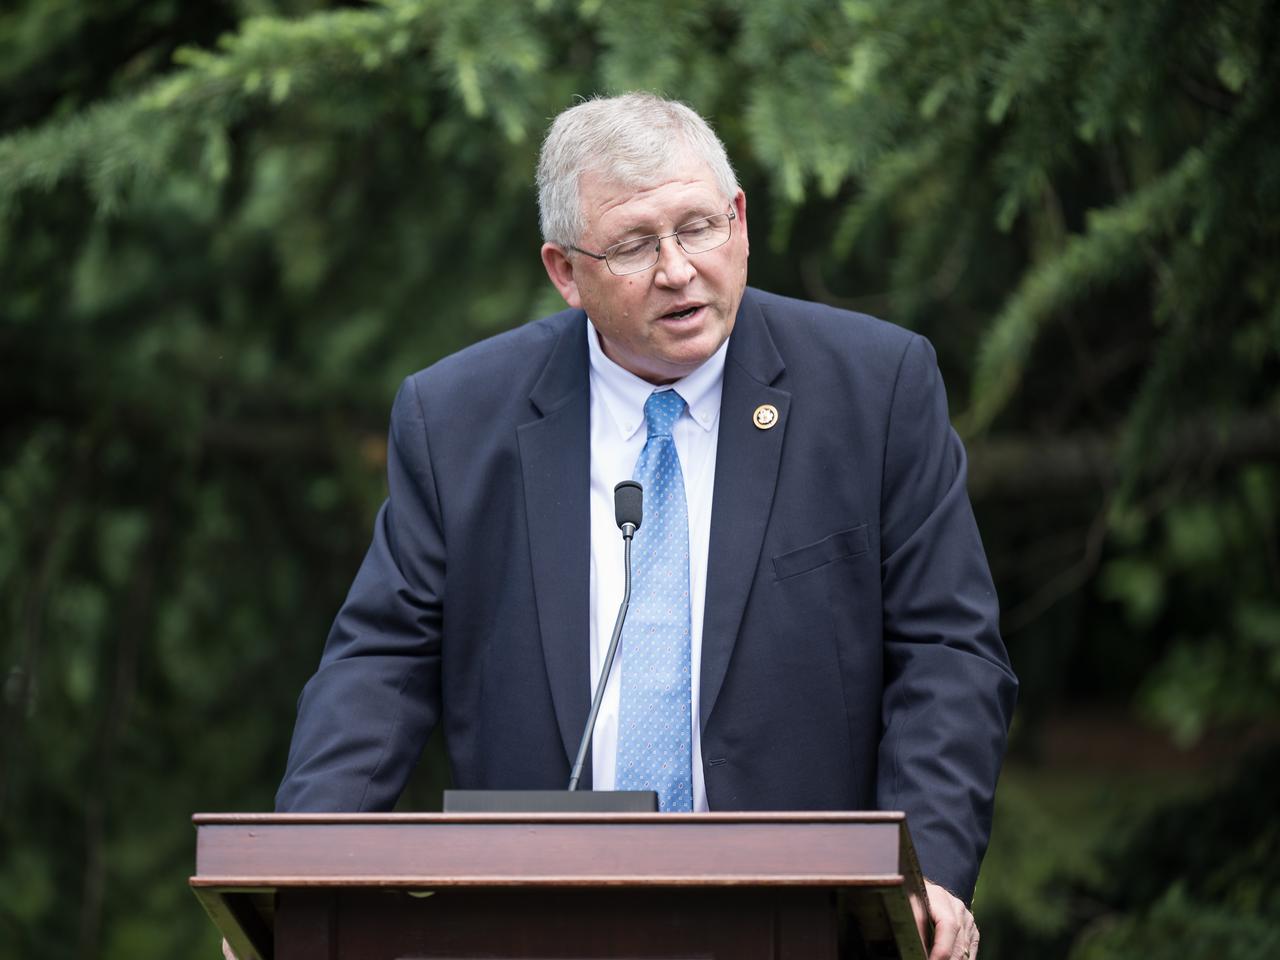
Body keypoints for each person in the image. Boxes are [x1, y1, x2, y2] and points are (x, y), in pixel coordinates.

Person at [276, 92, 1017, 960]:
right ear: (564, 270)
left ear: (739, 219)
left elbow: (947, 653)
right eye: (633, 245)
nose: (677, 269)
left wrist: (924, 867)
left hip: (811, 920)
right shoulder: (457, 417)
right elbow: (380, 664)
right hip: (537, 925)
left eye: (699, 226)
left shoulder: (875, 387)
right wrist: (302, 871)